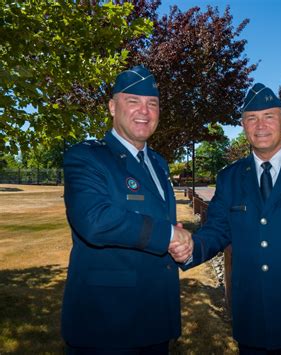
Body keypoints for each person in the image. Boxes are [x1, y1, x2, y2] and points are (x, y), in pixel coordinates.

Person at [170, 83, 281, 354]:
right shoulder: (230, 177)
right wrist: (189, 248)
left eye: (269, 116)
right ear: (243, 126)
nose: (260, 125)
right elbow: (218, 229)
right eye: (252, 118)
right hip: (252, 319)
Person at [62, 65, 193, 354]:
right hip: (107, 323)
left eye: (152, 104)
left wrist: (178, 242)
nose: (144, 111)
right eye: (132, 101)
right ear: (112, 106)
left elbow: (159, 219)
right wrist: (168, 235)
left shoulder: (158, 162)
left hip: (157, 317)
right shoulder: (86, 156)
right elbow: (95, 221)